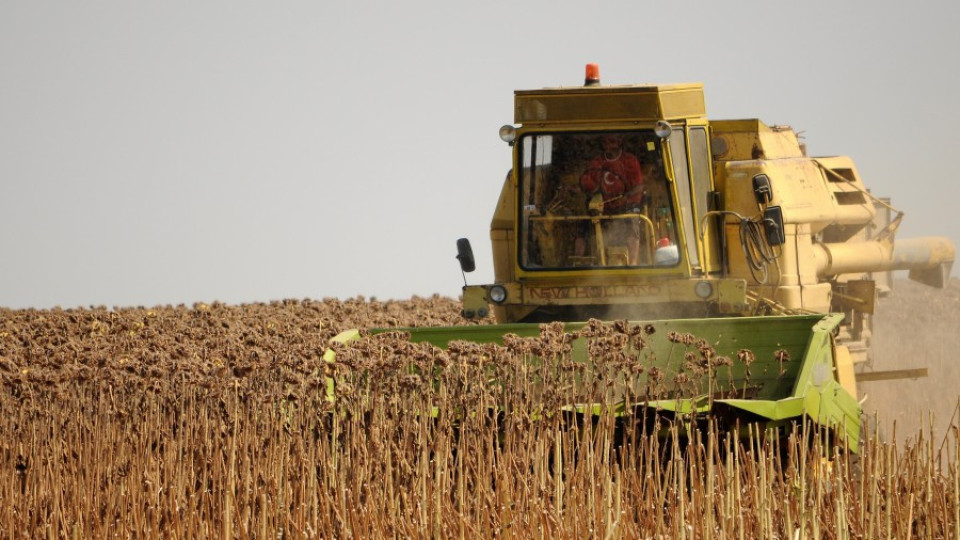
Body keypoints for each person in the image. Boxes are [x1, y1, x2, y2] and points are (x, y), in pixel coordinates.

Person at [575, 134, 644, 264]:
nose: (608, 145)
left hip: (627, 205)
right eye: (605, 142)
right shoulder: (596, 162)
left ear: (619, 142)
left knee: (632, 222)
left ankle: (632, 264)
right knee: (582, 224)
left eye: (612, 142)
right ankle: (579, 261)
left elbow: (639, 187)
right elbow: (589, 184)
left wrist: (626, 197)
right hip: (603, 206)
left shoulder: (630, 161)